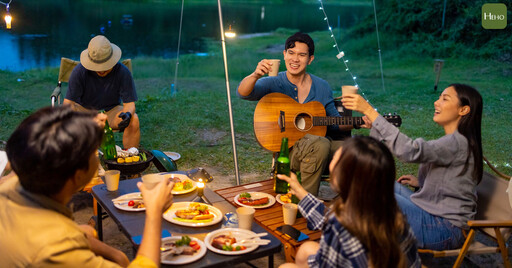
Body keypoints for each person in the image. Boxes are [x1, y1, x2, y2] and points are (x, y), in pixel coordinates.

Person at [0, 106, 174, 267]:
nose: (97, 154)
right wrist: (154, 213)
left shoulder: (18, 183)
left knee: (86, 232)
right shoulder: (57, 250)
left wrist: (114, 253)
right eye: (93, 151)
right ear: (77, 176)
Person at [342, 84, 483, 250]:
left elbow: (409, 151)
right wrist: (421, 183)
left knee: (370, 192)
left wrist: (370, 112)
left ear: (464, 110)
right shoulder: (457, 141)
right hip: (433, 214)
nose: (436, 103)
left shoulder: (457, 142)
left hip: (444, 228)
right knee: (373, 180)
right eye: (439, 97)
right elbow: (454, 180)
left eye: (445, 99)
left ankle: (355, 245)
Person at [278, 136, 421, 268]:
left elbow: (331, 243)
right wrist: (301, 193)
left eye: (336, 159)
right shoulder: (393, 215)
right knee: (306, 249)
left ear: (345, 178)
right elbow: (331, 220)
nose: (331, 160)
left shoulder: (340, 230)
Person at [237, 32, 351, 196]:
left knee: (359, 148)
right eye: (291, 53)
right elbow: (243, 93)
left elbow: (335, 122)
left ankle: (356, 205)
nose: (295, 59)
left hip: (319, 148)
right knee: (321, 143)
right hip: (289, 151)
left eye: (302, 55)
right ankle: (304, 204)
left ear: (310, 59)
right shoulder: (274, 81)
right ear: (284, 55)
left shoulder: (322, 86)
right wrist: (255, 75)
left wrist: (361, 121)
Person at [64, 35, 140, 149]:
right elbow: (68, 103)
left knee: (134, 120)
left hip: (111, 112)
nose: (101, 70)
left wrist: (128, 114)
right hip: (85, 113)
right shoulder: (79, 72)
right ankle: (75, 158)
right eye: (97, 66)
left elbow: (129, 104)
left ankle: (129, 157)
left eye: (105, 66)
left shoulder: (123, 72)